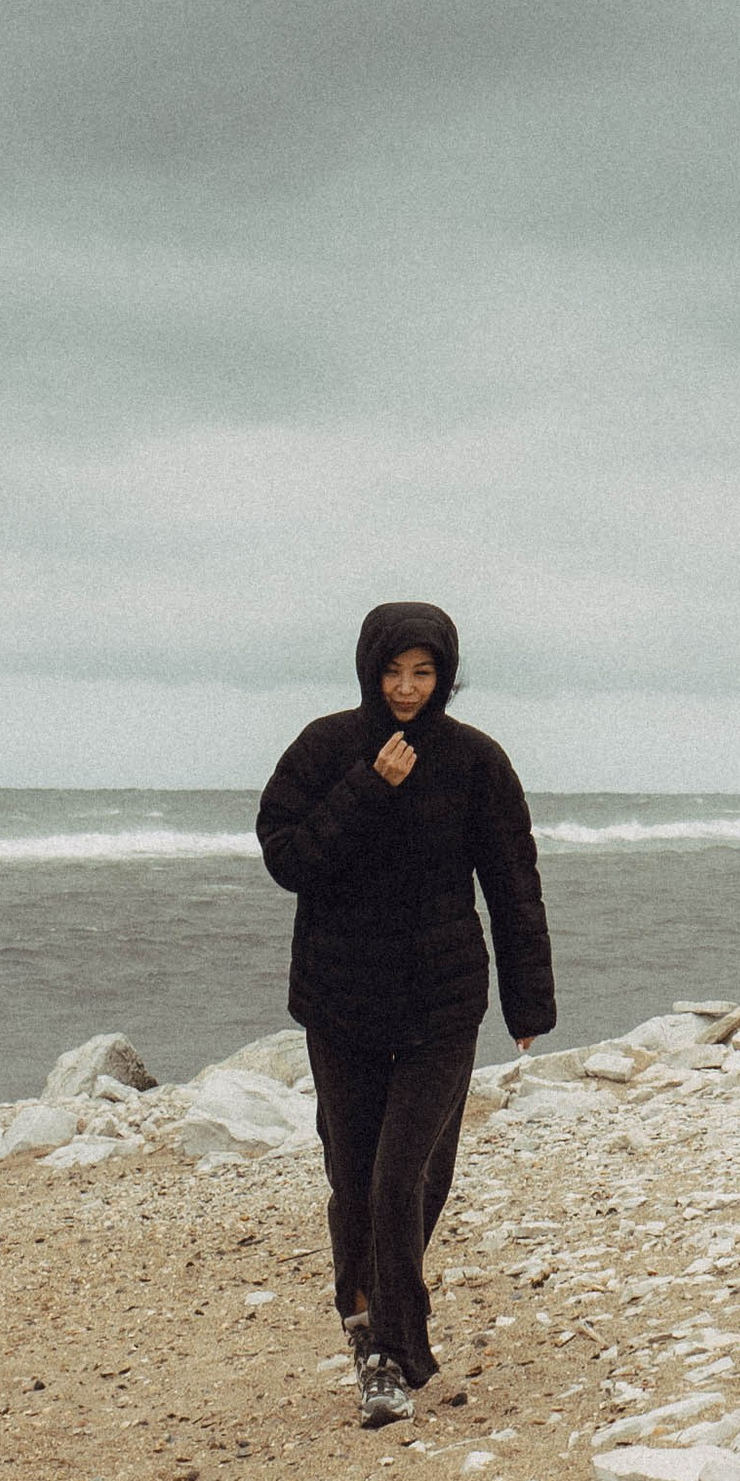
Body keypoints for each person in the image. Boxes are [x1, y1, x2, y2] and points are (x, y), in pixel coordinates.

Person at [256, 600, 556, 1427]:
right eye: (393, 671)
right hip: (341, 1000)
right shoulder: (325, 749)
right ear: (368, 668)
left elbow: (513, 882)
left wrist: (530, 998)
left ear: (446, 675)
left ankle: (389, 1342)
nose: (406, 688)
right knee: (354, 1179)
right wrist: (366, 787)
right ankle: (370, 1324)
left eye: (423, 673)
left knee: (407, 1177)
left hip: (441, 1001)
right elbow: (288, 860)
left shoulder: (475, 762)